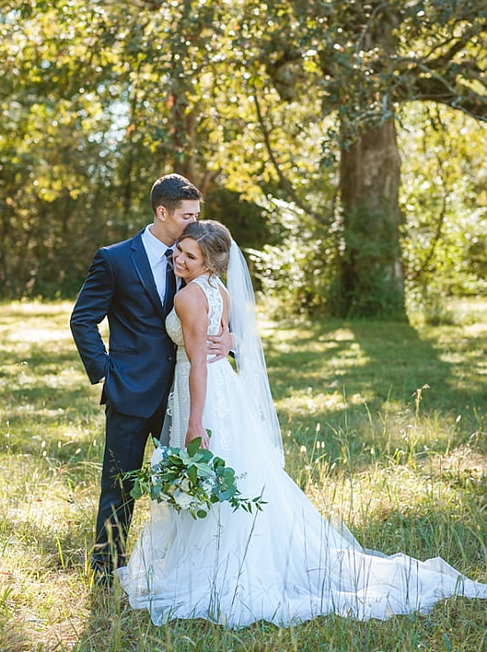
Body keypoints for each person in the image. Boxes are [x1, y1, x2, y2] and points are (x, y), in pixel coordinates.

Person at [116, 220, 487, 626]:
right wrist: (231, 344)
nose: (179, 259)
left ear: (211, 263)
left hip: (203, 393)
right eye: (180, 251)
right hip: (227, 390)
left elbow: (199, 364)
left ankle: (217, 566)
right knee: (230, 472)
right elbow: (226, 337)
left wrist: (195, 423)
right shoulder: (216, 290)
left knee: (212, 469)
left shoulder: (189, 296)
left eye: (190, 255)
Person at [70, 174, 233, 582]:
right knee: (120, 483)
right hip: (131, 388)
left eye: (198, 214)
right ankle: (108, 568)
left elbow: (216, 310)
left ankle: (179, 567)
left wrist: (230, 338)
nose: (195, 222)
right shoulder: (115, 258)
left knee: (185, 481)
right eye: (188, 215)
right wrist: (107, 372)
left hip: (182, 391)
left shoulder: (194, 256)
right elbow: (82, 320)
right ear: (163, 213)